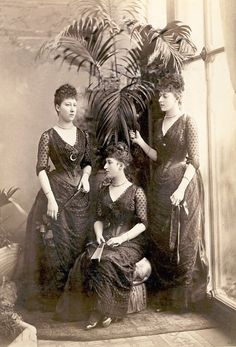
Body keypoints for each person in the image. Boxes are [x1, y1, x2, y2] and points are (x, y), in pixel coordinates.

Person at [130, 73, 208, 312]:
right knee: (163, 240)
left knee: (183, 240)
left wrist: (181, 190)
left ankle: (183, 301)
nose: (160, 99)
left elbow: (194, 162)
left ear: (178, 97)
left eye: (165, 95)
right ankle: (166, 299)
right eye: (160, 95)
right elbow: (158, 157)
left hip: (183, 188)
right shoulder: (158, 123)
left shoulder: (188, 122)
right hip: (161, 188)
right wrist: (141, 142)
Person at [55, 142, 148, 328]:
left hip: (130, 242)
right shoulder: (104, 191)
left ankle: (101, 311)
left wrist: (121, 238)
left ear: (120, 165)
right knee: (86, 259)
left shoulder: (137, 192)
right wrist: (98, 235)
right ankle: (97, 311)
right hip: (106, 238)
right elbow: (98, 218)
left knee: (107, 260)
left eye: (109, 162)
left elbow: (142, 224)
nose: (105, 166)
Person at [20, 84, 92, 311]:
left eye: (74, 104)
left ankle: (76, 299)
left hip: (79, 199)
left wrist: (86, 177)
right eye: (67, 105)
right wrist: (50, 198)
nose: (72, 109)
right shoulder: (48, 136)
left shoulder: (82, 135)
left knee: (78, 245)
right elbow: (41, 168)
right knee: (57, 248)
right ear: (57, 107)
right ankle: (55, 301)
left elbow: (87, 163)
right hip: (56, 198)